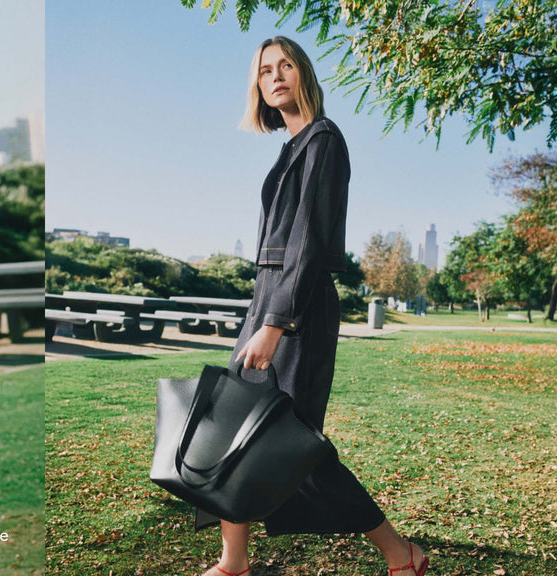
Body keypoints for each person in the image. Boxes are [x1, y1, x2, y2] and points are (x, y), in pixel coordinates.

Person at [194, 37, 429, 576]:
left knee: (292, 441)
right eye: (264, 71)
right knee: (234, 425)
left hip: (296, 313)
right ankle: (233, 563)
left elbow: (306, 241)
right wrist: (263, 313)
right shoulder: (292, 146)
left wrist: (276, 323)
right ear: (258, 86)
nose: (275, 77)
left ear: (303, 74)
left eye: (286, 66)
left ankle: (402, 554)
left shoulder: (324, 140)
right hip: (269, 303)